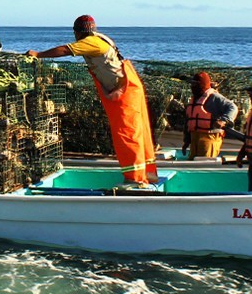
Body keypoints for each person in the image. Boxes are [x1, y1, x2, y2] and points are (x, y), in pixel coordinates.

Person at [27, 15, 158, 187]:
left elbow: (66, 50)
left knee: (127, 133)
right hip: (128, 87)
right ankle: (148, 174)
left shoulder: (91, 42)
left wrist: (38, 54)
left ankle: (135, 180)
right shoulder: (98, 39)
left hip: (126, 91)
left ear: (78, 32)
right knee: (138, 130)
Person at [181, 71, 238, 159]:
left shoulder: (214, 97)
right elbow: (189, 122)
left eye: (196, 84)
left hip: (209, 138)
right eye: (192, 83)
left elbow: (232, 107)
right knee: (192, 164)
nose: (193, 86)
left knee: (203, 164)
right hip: (194, 138)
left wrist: (224, 120)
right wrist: (186, 141)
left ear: (202, 84)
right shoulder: (194, 99)